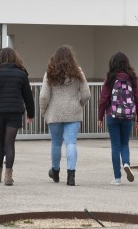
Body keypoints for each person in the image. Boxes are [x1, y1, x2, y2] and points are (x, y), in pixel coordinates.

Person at [39, 45, 91, 186]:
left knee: (56, 143)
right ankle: (71, 176)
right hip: (73, 112)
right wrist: (79, 104)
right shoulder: (78, 73)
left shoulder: (49, 73)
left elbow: (44, 96)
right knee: (71, 143)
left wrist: (44, 111)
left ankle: (55, 172)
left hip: (54, 113)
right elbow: (87, 94)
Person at [0, 47, 34, 186]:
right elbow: (28, 96)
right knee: (10, 143)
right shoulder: (21, 73)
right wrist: (31, 113)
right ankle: (8, 176)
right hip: (15, 111)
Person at [97, 52, 138, 185]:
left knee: (115, 145)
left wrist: (100, 117)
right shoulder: (132, 78)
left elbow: (103, 99)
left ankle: (117, 178)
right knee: (124, 144)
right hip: (128, 116)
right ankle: (127, 164)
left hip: (112, 115)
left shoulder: (110, 78)